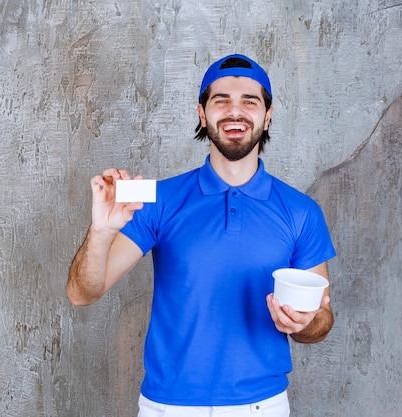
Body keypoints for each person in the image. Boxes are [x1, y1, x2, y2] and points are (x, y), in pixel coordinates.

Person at [66, 53, 336, 417]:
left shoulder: (302, 211)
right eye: (220, 100)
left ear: (267, 116)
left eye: (249, 101)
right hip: (167, 406)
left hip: (262, 406)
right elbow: (82, 293)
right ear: (201, 113)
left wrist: (304, 323)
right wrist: (101, 231)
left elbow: (321, 319)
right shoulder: (156, 198)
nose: (234, 111)